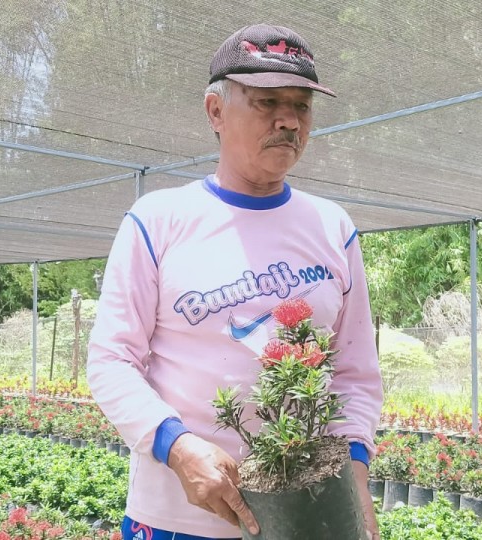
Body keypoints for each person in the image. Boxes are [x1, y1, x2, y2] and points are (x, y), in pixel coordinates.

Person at [87, 23, 382, 540]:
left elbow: (354, 375)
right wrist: (176, 447)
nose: (289, 119)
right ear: (216, 112)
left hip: (308, 521)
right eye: (267, 102)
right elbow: (111, 360)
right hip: (178, 520)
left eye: (302, 106)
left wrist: (354, 484)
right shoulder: (158, 220)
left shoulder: (333, 228)